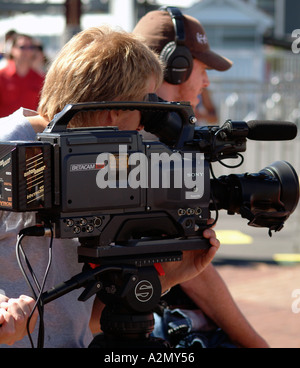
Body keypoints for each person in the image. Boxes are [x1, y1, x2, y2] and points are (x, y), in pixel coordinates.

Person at [0, 26, 219, 347]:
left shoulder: (106, 160)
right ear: (114, 111)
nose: (145, 125)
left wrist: (168, 275)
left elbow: (87, 317)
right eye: (143, 107)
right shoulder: (8, 148)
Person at [133, 7, 269, 348]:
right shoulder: (150, 144)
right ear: (175, 66)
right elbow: (194, 272)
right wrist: (256, 344)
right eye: (203, 68)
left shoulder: (139, 127)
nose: (207, 80)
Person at [0, 33, 44, 118]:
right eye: (22, 47)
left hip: (29, 129)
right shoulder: (1, 76)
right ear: (12, 50)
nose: (26, 51)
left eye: (30, 47)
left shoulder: (40, 78)